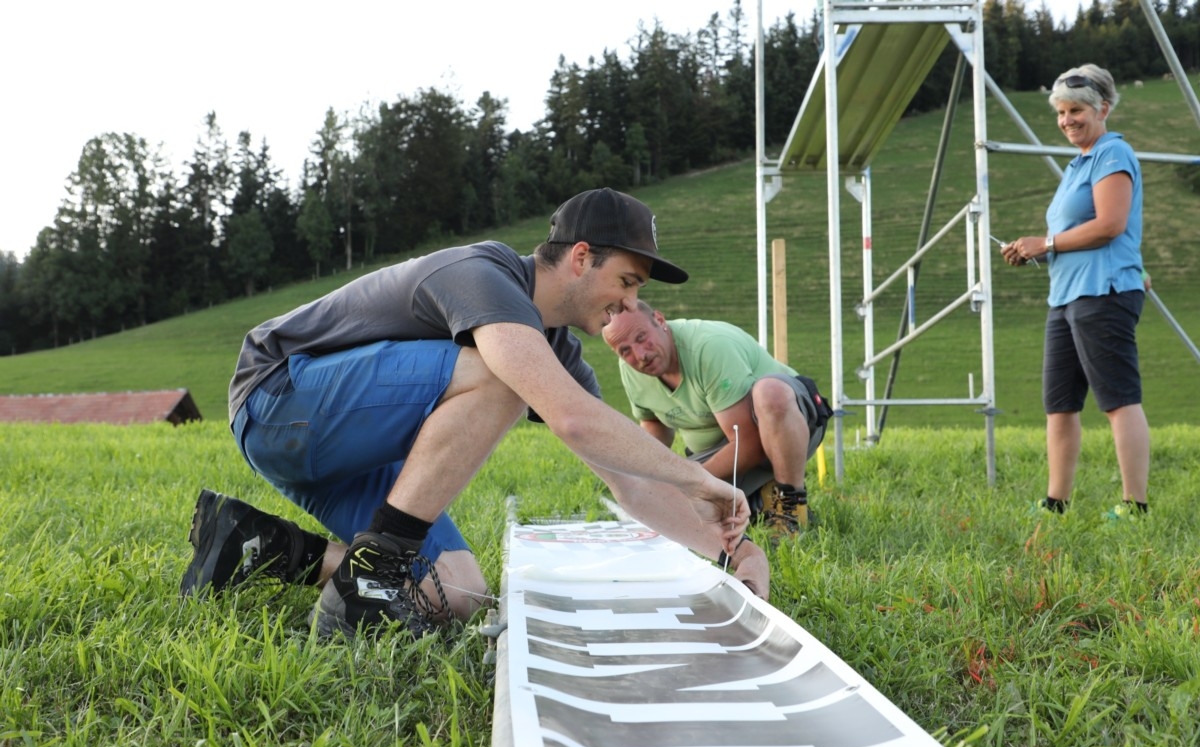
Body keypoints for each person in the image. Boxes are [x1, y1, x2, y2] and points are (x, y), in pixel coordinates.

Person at [180, 188, 769, 637]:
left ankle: (259, 544)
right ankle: (369, 579)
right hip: (278, 400)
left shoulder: (556, 351)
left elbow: (629, 480)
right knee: (502, 372)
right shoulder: (484, 275)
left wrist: (731, 549)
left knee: (459, 593)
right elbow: (569, 416)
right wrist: (698, 478)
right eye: (627, 281)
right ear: (581, 257)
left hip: (345, 450)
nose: (630, 302)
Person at [1000, 64, 1151, 520]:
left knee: (1118, 399)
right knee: (1059, 403)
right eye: (1061, 112)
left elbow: (1110, 225)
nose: (1067, 120)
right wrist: (1032, 250)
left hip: (1102, 293)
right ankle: (1056, 502)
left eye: (1076, 111)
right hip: (1066, 296)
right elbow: (1075, 233)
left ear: (1102, 109)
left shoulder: (1112, 154)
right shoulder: (1078, 164)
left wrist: (1044, 244)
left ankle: (1135, 506)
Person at [601, 301, 831, 538]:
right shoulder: (630, 371)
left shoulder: (709, 347)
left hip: (789, 422)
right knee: (662, 507)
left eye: (642, 338)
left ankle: (790, 506)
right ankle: (759, 500)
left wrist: (687, 481)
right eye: (625, 351)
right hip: (722, 450)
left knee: (770, 393)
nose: (641, 355)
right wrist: (647, 481)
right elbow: (654, 424)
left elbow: (749, 445)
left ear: (660, 320)